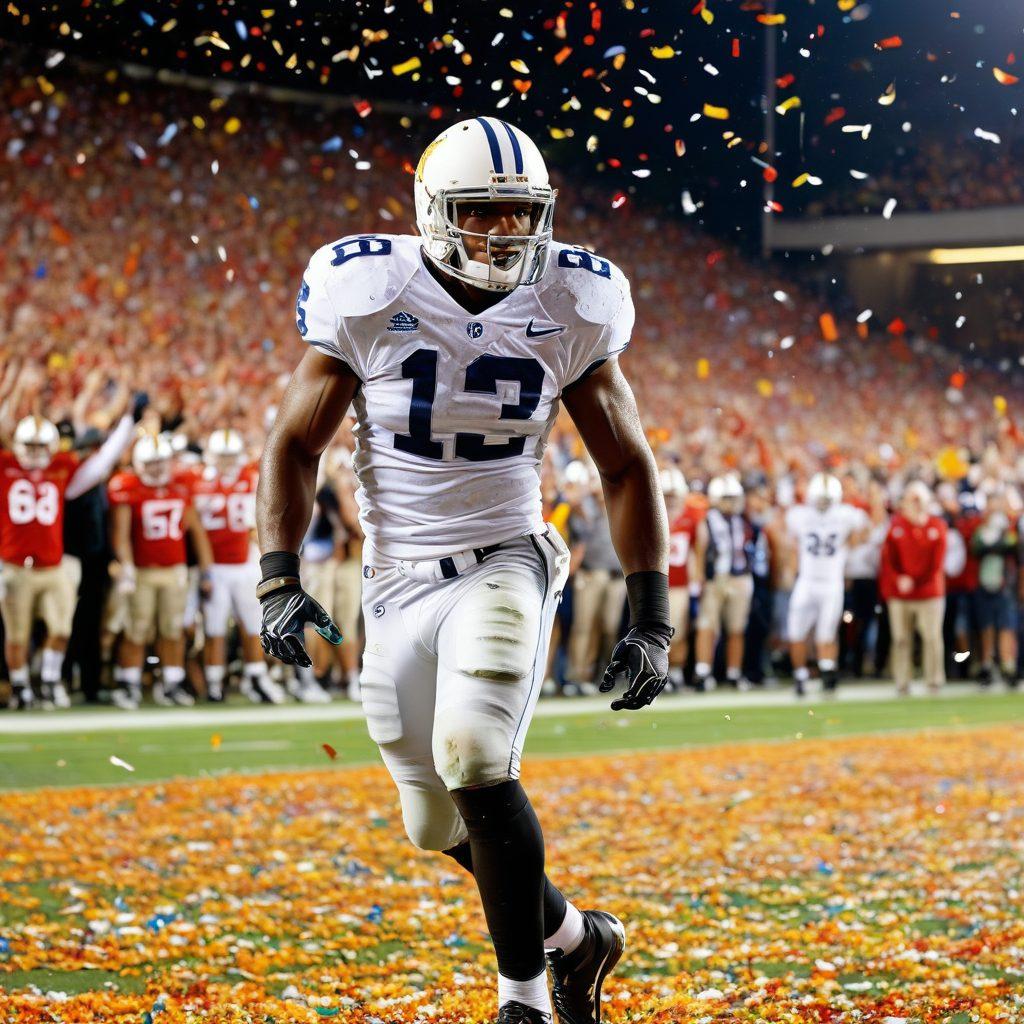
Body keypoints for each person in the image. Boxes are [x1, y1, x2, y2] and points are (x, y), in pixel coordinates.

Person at [255, 117, 672, 1024]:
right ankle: (574, 940)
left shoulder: (571, 300)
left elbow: (627, 464)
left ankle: (521, 1000)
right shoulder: (367, 289)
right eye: (481, 212)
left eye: (519, 216)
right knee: (432, 821)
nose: (502, 234)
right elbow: (293, 443)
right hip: (395, 574)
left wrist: (652, 616)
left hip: (503, 559)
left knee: (478, 758)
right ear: (434, 211)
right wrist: (278, 576)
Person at [0, 400, 142, 709]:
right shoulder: (5, 467)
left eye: (41, 446)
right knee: (17, 634)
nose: (36, 452)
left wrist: (128, 423)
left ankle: (50, 681)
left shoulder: (60, 468)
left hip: (53, 566)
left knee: (61, 629)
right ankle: (22, 686)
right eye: (29, 445)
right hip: (13, 567)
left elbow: (101, 463)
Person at [109, 434, 214, 708]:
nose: (156, 469)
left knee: (173, 629)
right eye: (150, 463)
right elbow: (120, 535)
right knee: (137, 629)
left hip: (174, 570)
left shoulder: (181, 485)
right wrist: (128, 567)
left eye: (160, 462)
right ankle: (128, 683)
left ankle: (171, 682)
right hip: (143, 571)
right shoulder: (127, 486)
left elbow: (196, 531)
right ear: (138, 464)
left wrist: (206, 570)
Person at [192, 429, 282, 703]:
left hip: (244, 563)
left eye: (231, 456)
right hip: (215, 566)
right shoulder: (198, 481)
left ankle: (255, 676)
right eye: (223, 456)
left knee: (253, 624)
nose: (228, 462)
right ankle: (214, 682)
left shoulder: (250, 477)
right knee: (215, 627)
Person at [785, 473, 870, 696]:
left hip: (830, 581)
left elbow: (866, 531)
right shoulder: (807, 515)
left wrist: (852, 541)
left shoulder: (840, 515)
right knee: (797, 631)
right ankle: (801, 676)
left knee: (826, 632)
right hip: (808, 579)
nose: (822, 503)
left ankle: (826, 671)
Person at [880, 481, 948, 696]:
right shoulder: (896, 527)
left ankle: (934, 680)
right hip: (901, 593)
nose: (916, 505)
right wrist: (899, 578)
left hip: (928, 592)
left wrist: (914, 580)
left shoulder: (936, 526)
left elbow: (936, 564)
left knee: (931, 637)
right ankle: (902, 681)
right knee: (900, 638)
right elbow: (887, 560)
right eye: (912, 500)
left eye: (919, 500)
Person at [692, 473, 754, 691]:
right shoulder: (707, 520)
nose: (731, 503)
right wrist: (699, 577)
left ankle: (734, 672)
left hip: (739, 577)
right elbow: (700, 550)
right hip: (716, 579)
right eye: (727, 498)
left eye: (733, 498)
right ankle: (702, 671)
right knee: (708, 626)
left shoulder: (743, 521)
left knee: (737, 628)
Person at [663, 467, 700, 691]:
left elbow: (697, 552)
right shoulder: (650, 513)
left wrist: (696, 582)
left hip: (680, 583)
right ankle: (660, 672)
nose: (670, 499)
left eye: (673, 494)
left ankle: (675, 670)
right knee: (658, 631)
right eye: (666, 494)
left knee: (678, 630)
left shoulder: (690, 518)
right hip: (657, 583)